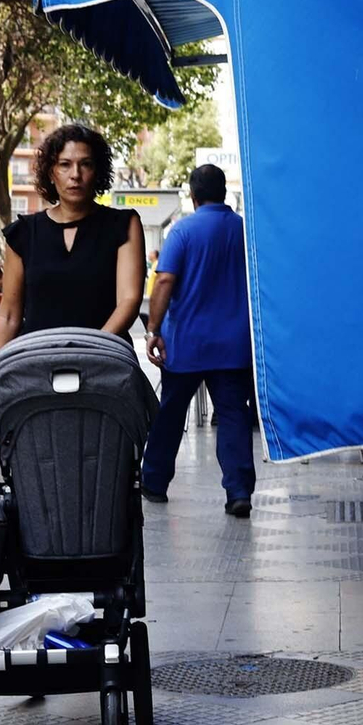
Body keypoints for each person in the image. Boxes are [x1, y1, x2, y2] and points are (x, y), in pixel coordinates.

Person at [138, 165, 257, 517]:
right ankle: (238, 491)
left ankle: (154, 482)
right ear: (224, 192)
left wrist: (153, 329)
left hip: (186, 344)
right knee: (233, 416)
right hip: (234, 346)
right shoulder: (245, 230)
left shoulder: (183, 231)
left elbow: (164, 281)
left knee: (170, 414)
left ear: (193, 195)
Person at [0, 123, 144, 349]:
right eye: (65, 164)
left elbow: (129, 300)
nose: (75, 175)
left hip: (106, 358)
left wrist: (89, 349)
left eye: (86, 164)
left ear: (97, 171)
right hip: (37, 359)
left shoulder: (123, 225)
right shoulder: (23, 233)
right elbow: (9, 315)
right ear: (51, 173)